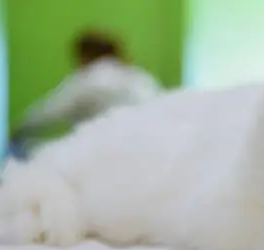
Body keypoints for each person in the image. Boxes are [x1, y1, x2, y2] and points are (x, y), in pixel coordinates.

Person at [10, 30, 163, 158]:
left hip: (104, 156)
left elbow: (49, 111)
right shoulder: (141, 77)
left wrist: (16, 130)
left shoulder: (90, 78)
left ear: (85, 54)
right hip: (149, 153)